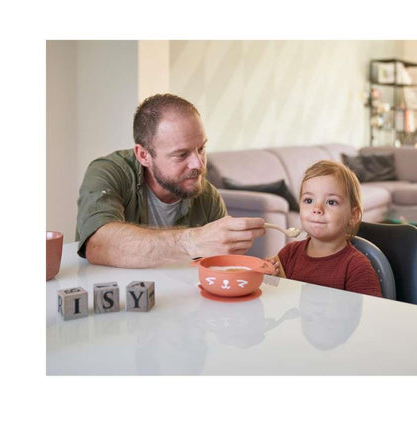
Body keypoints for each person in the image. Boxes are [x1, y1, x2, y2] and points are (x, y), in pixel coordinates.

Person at [75, 93, 265, 268]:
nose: (198, 164)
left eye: (201, 149)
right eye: (181, 155)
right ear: (144, 155)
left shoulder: (208, 197)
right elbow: (98, 244)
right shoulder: (108, 172)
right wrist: (193, 241)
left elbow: (220, 271)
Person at [268, 160, 382, 297]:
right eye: (309, 200)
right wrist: (271, 278)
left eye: (331, 202)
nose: (317, 209)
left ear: (353, 215)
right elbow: (277, 299)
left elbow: (371, 309)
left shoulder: (357, 267)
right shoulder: (288, 254)